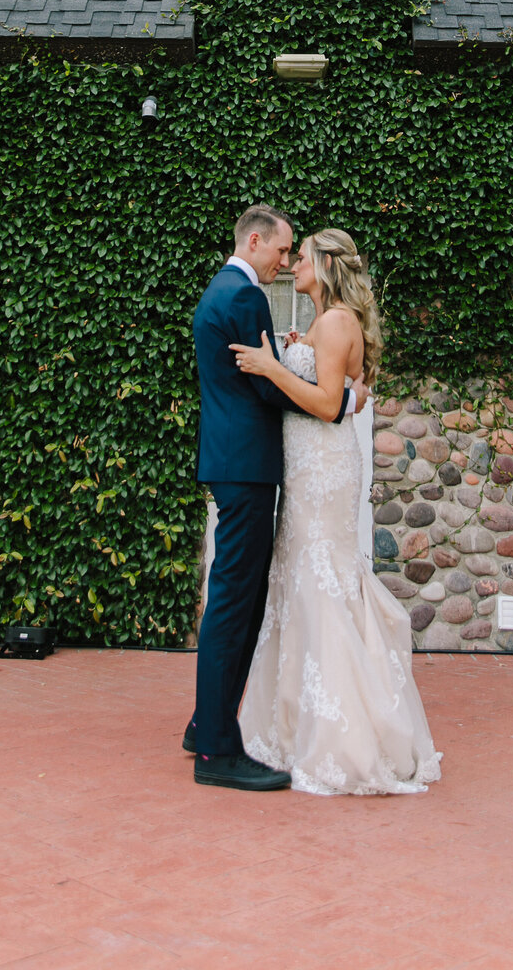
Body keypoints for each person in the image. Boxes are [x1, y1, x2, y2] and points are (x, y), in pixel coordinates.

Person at [231, 228, 441, 796]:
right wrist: (295, 358)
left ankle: (339, 735)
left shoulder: (335, 321)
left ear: (324, 265)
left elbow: (328, 405)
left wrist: (273, 367)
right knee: (304, 581)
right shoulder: (332, 322)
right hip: (313, 468)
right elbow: (349, 393)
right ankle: (298, 721)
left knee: (320, 583)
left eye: (300, 258)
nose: (292, 264)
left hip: (321, 470)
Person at [187, 204, 363, 791]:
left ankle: (204, 724)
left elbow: (258, 379)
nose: (286, 262)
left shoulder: (224, 290)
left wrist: (292, 365)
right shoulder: (244, 297)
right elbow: (263, 390)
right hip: (245, 467)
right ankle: (215, 748)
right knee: (236, 602)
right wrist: (334, 401)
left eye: (295, 255)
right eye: (283, 251)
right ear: (256, 241)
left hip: (237, 463)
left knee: (235, 597)